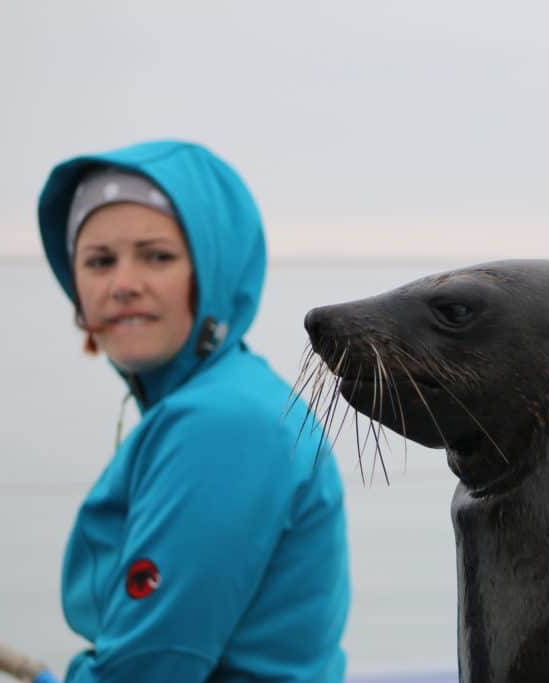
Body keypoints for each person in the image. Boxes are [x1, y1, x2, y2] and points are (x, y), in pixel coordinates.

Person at [37, 140, 351, 682]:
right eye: (98, 261)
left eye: (157, 256)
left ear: (214, 270)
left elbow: (146, 672)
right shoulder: (234, 397)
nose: (123, 284)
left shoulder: (223, 424)